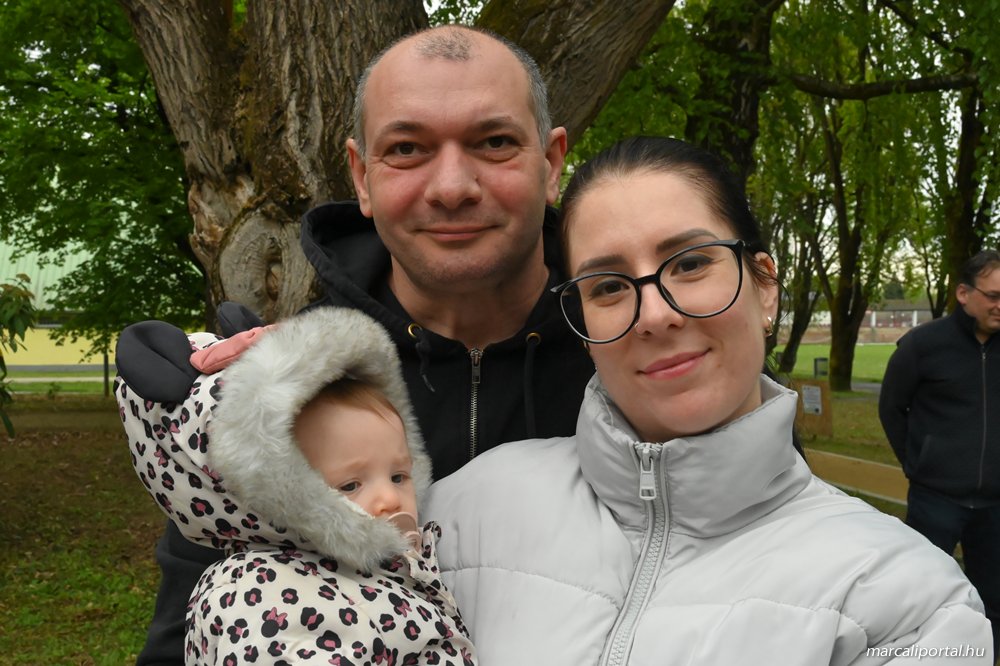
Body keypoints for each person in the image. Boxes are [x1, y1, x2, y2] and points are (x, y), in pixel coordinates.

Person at [117, 25, 594, 665]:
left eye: (495, 142)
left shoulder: (635, 356)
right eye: (407, 148)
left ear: (552, 163)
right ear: (362, 176)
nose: (452, 186)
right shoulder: (291, 388)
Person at [424, 136, 994, 664]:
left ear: (765, 286)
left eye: (691, 263)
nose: (654, 314)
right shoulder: (463, 511)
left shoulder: (910, 602)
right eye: (609, 286)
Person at [116, 307, 477, 665]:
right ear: (258, 496)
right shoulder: (263, 602)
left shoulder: (382, 567)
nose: (388, 498)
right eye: (350, 484)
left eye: (398, 475)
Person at [879, 249, 1000, 658]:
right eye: (993, 296)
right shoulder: (922, 345)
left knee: (993, 595)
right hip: (936, 498)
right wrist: (917, 463)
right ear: (964, 294)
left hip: (996, 505)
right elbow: (891, 408)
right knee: (923, 591)